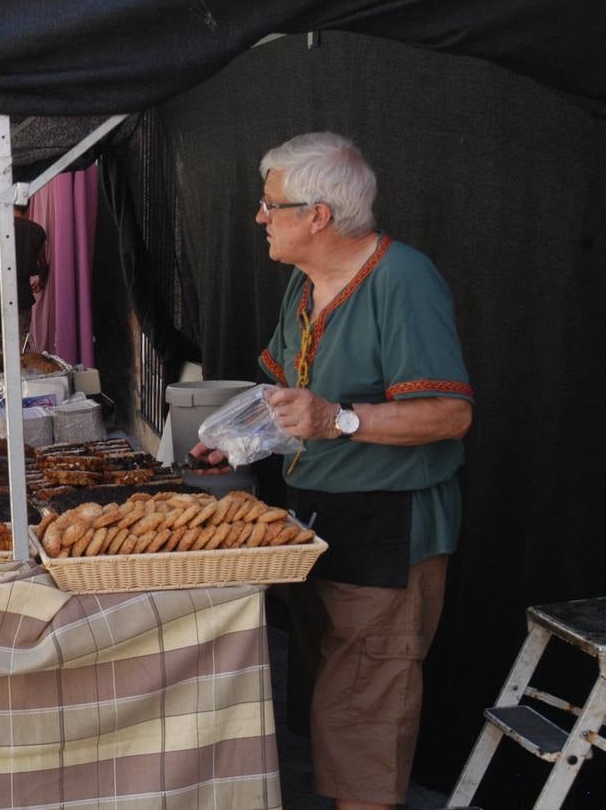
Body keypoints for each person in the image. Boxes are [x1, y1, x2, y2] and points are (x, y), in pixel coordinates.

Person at [194, 132, 473, 810]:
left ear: (317, 215)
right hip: (317, 517)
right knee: (328, 696)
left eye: (270, 204)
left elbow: (448, 414)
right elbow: (281, 388)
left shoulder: (401, 279)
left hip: (387, 527)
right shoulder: (303, 282)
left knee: (364, 715)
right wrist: (237, 439)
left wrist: (339, 421)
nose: (259, 216)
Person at [0, 203, 49, 346]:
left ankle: (3, 367)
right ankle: (19, 367)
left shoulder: (3, 225)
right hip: (23, 293)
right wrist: (41, 279)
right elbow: (43, 262)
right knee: (21, 341)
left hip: (0, 289)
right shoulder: (37, 230)